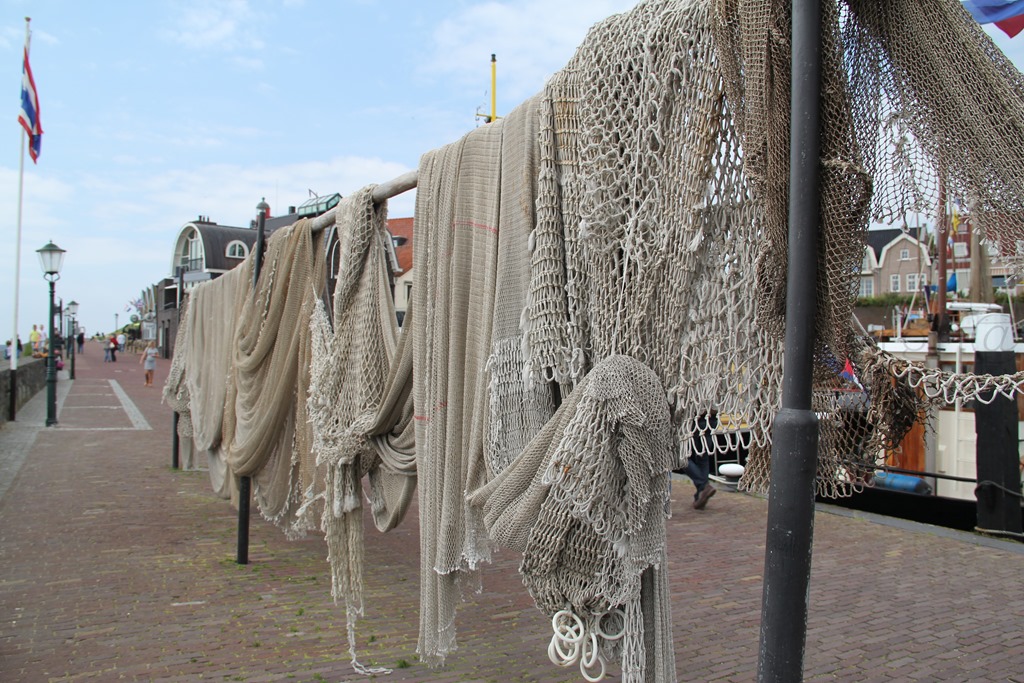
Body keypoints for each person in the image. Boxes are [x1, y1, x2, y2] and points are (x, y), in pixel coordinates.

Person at [685, 407, 719, 510]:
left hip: (695, 417)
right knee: (703, 457)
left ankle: (703, 485)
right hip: (712, 416)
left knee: (680, 457)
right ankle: (700, 495)